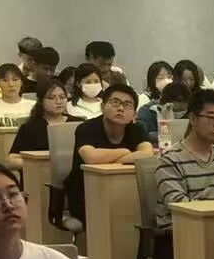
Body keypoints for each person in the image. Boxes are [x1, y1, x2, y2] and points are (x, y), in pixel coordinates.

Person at [64, 83, 154, 225]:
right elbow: (90, 157)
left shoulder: (137, 129)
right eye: (115, 102)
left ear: (134, 114)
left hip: (124, 192)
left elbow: (147, 153)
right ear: (102, 106)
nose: (121, 108)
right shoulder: (86, 128)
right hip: (85, 192)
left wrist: (115, 159)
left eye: (127, 105)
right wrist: (124, 152)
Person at [154, 89, 214, 231]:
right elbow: (181, 209)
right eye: (212, 118)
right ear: (192, 118)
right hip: (183, 232)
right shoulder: (170, 160)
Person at [11, 78, 74, 155]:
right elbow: (13, 158)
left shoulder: (78, 123)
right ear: (41, 101)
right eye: (51, 98)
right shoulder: (29, 128)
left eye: (62, 97)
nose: (58, 101)